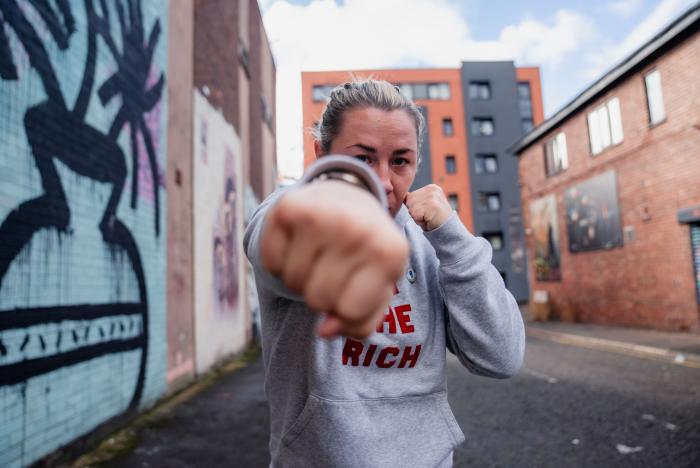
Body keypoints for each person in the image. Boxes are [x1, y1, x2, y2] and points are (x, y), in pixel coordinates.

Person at [244, 79, 525, 467]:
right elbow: (278, 243)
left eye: (399, 161)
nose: (381, 181)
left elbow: (501, 357)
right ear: (321, 155)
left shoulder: (434, 240)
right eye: (362, 159)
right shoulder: (290, 209)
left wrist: (455, 240)